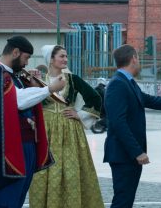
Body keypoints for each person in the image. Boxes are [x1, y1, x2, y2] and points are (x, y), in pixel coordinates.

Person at [0, 36, 66, 208]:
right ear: (15, 52)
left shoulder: (11, 75)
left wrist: (32, 83)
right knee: (7, 200)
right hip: (9, 150)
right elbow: (17, 100)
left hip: (23, 146)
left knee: (17, 200)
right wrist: (49, 89)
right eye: (25, 58)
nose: (27, 63)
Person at [104, 44, 161, 208]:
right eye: (138, 58)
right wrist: (137, 152)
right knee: (122, 200)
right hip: (124, 155)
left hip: (128, 155)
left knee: (126, 200)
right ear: (133, 58)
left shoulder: (128, 82)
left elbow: (151, 100)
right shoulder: (118, 84)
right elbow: (118, 123)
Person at [29, 45, 104, 208]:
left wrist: (80, 114)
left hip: (69, 131)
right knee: (44, 172)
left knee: (71, 172)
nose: (65, 59)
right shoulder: (39, 80)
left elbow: (95, 98)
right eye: (61, 56)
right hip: (46, 130)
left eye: (66, 56)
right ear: (51, 58)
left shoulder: (72, 79)